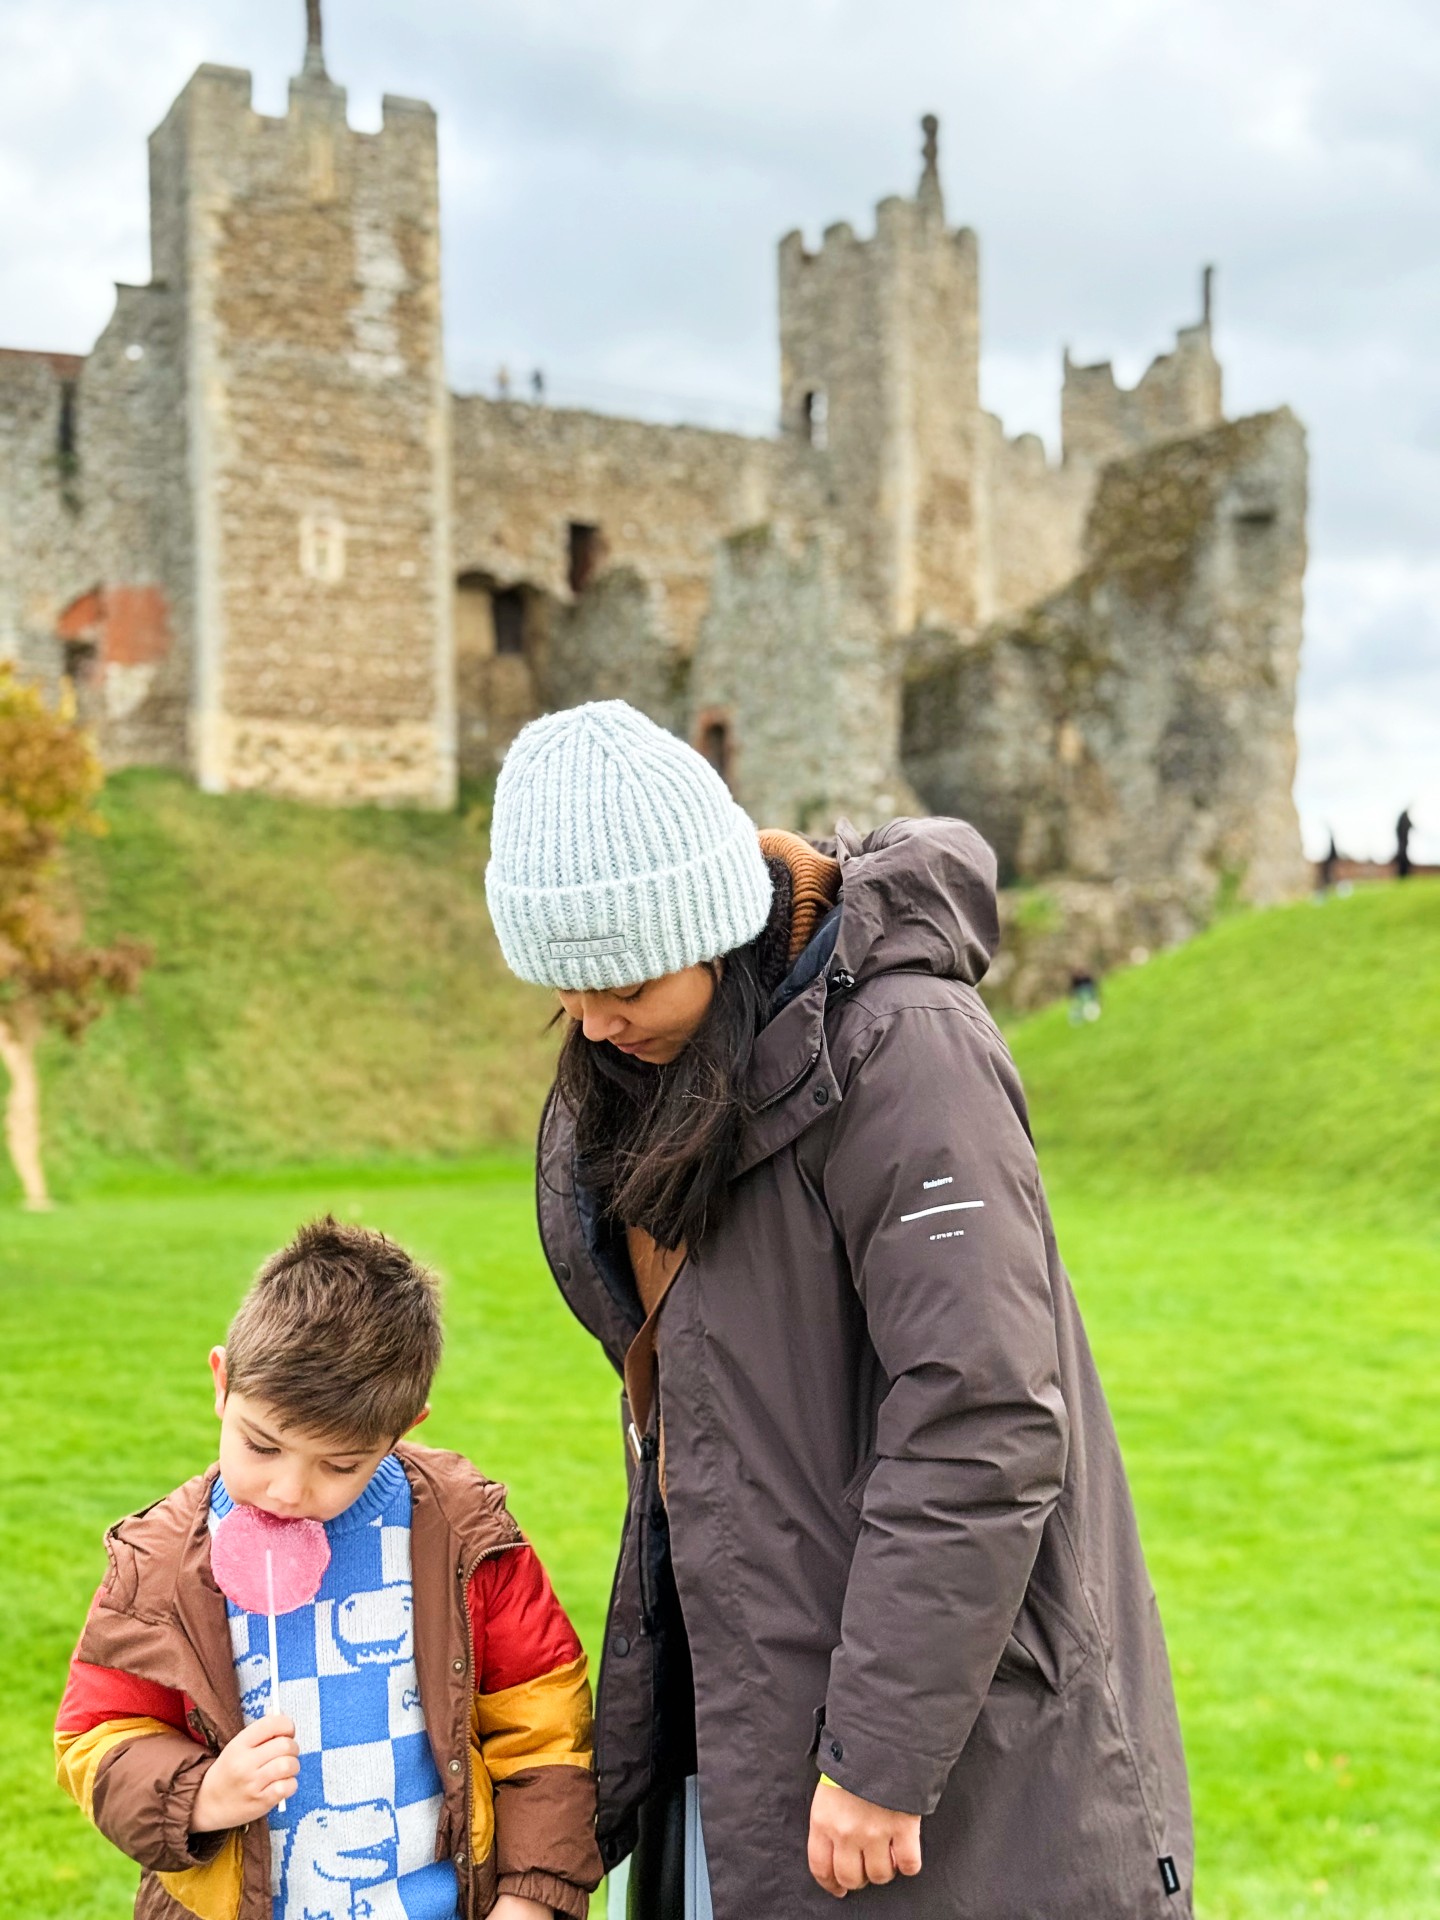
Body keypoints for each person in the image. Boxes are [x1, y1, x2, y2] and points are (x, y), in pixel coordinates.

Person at [485, 701, 1193, 1920]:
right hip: (743, 1717)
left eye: (626, 983)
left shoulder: (905, 1052)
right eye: (566, 991)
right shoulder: (644, 1076)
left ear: (709, 929)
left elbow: (980, 1419)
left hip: (950, 1759)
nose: (593, 1023)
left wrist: (879, 1756)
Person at [55, 1217, 603, 1920]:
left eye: (339, 1465)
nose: (288, 1491)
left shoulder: (463, 1533)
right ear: (222, 1383)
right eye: (261, 1446)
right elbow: (96, 1734)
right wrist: (201, 1794)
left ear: (405, 1428)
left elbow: (545, 1722)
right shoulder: (158, 1563)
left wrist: (529, 1896)